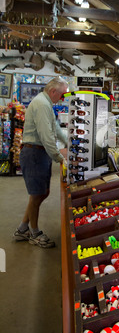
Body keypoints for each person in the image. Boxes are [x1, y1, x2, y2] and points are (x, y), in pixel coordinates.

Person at [14, 76, 69, 248]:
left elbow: (55, 128)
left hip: (39, 153)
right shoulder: (42, 104)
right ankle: (34, 232)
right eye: (61, 95)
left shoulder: (46, 103)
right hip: (34, 153)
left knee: (40, 193)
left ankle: (23, 228)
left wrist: (69, 142)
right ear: (53, 91)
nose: (62, 99)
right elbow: (46, 137)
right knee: (38, 194)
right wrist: (60, 158)